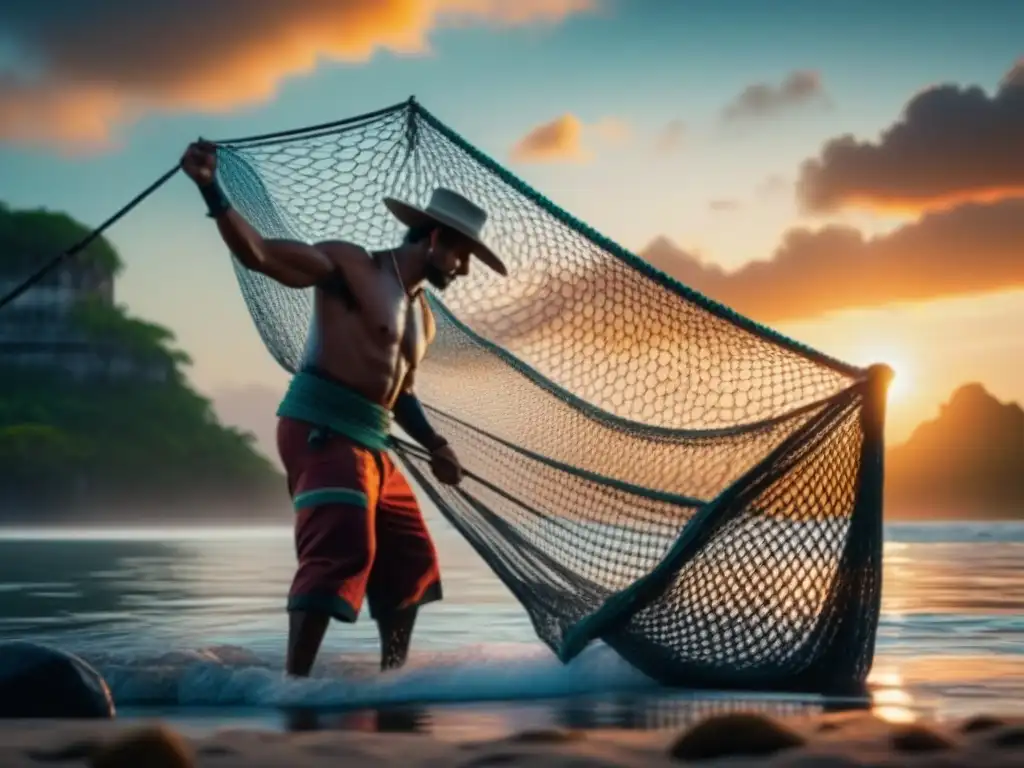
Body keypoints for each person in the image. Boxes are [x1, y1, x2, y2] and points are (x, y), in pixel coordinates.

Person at [179, 140, 508, 677]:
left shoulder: (422, 319)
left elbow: (398, 392)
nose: (466, 269)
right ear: (434, 238)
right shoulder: (353, 268)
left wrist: (437, 445)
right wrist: (210, 187)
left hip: (372, 443)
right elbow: (259, 254)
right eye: (463, 254)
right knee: (343, 547)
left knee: (411, 559)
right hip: (322, 428)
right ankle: (294, 684)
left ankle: (393, 682)